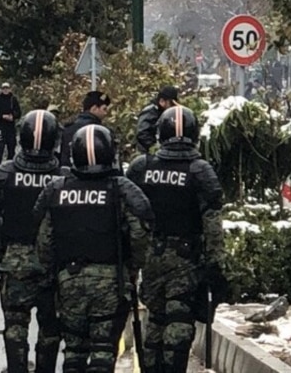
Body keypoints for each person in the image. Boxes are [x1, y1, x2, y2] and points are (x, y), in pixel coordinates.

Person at [35, 124, 153, 373]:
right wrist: (132, 270)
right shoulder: (122, 190)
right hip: (111, 283)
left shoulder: (56, 189)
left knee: (74, 351)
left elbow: (44, 242)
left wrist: (52, 276)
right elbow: (140, 235)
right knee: (103, 351)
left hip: (69, 281)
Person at [126, 106, 225, 373]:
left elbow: (127, 215)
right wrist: (216, 266)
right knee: (179, 319)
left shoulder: (142, 167)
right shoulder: (199, 170)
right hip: (185, 259)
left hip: (151, 257)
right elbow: (213, 225)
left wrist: (130, 260)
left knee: (155, 319)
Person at [0, 110, 63, 373]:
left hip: (15, 261)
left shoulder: (3, 176)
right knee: (50, 327)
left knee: (15, 324)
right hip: (54, 263)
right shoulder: (65, 178)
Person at [59, 91, 112, 168]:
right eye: (104, 109)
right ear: (94, 108)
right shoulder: (100, 132)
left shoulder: (68, 128)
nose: (105, 113)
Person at [135, 85, 179, 154]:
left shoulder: (164, 113)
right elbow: (142, 134)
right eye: (171, 103)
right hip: (148, 154)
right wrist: (155, 148)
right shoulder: (150, 112)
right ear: (162, 101)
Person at [0, 83, 22, 162]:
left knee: (11, 146)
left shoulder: (13, 99)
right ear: (1, 89)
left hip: (11, 127)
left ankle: (10, 163)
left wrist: (13, 116)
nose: (5, 90)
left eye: (7, 88)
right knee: (0, 146)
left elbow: (18, 112)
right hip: (1, 126)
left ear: (10, 89)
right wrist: (2, 116)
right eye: (4, 88)